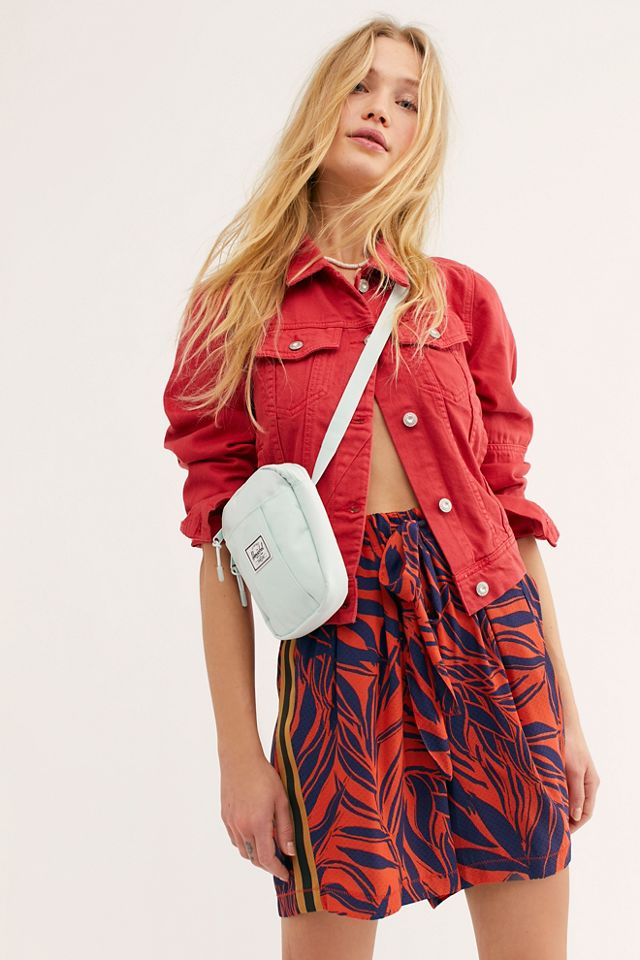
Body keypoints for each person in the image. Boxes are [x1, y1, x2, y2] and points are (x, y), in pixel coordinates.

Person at [162, 16, 599, 960]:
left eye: (407, 100)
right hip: (337, 656)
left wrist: (565, 712)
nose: (380, 110)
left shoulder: (460, 300)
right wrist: (241, 756)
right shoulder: (235, 306)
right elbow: (224, 545)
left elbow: (512, 518)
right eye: (361, 86)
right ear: (322, 105)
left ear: (423, 136)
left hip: (491, 639)